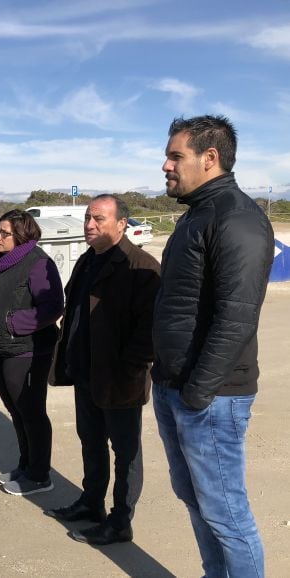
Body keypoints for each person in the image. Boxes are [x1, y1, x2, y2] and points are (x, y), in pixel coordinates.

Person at [153, 115, 274, 577]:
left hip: (211, 397)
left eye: (175, 155)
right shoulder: (198, 214)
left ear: (210, 158)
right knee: (194, 500)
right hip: (175, 385)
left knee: (226, 513)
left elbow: (238, 315)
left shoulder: (237, 218)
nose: (165, 164)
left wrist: (197, 393)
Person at [46, 194, 160, 546]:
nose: (90, 225)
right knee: (90, 442)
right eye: (87, 218)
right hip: (85, 372)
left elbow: (151, 328)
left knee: (125, 453)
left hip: (119, 378)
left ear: (122, 223)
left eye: (99, 219)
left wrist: (130, 368)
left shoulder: (140, 266)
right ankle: (91, 502)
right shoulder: (87, 261)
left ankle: (120, 521)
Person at [0, 209, 64, 495]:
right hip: (1, 347)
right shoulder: (0, 262)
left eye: (4, 233)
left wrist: (13, 323)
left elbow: (52, 308)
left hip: (27, 351)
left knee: (31, 411)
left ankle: (39, 476)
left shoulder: (38, 264)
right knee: (15, 409)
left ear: (21, 235)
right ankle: (26, 466)